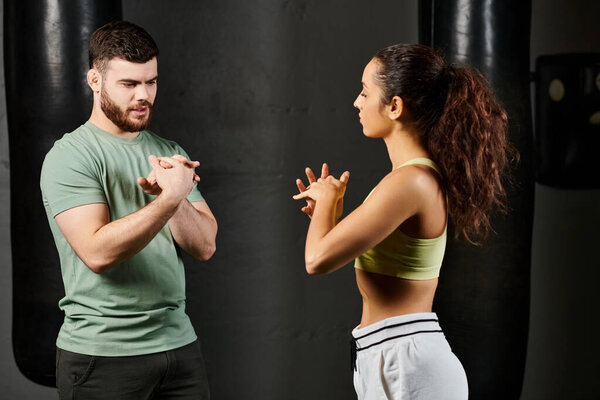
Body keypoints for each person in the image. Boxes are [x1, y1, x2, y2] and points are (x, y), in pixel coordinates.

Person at [293, 44, 515, 399]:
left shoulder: (410, 182)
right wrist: (327, 213)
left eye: (365, 92)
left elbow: (316, 260)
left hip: (409, 361)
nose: (357, 102)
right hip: (389, 354)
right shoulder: (409, 180)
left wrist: (327, 199)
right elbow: (331, 249)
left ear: (395, 106)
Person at [40, 20, 217, 399]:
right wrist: (170, 200)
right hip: (103, 356)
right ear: (95, 80)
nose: (144, 95)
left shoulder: (171, 152)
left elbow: (204, 246)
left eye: (150, 82)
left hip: (179, 346)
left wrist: (172, 198)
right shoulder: (70, 156)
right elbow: (97, 253)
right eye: (129, 84)